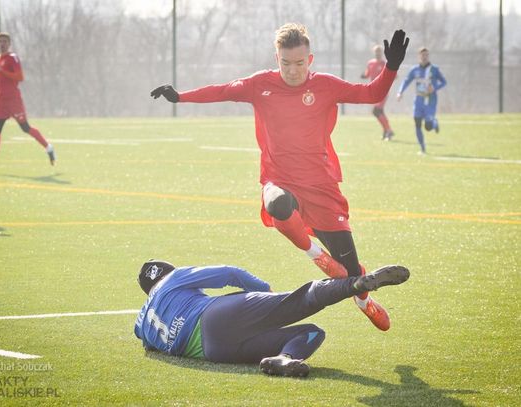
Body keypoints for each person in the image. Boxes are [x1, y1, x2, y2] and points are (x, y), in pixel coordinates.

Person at [150, 24, 409, 331]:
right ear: (277, 58)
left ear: (309, 60)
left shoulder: (326, 85)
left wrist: (391, 67)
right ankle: (316, 256)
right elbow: (221, 91)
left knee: (351, 275)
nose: (292, 70)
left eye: (299, 63)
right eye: (285, 63)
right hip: (279, 180)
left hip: (321, 188)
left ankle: (365, 302)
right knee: (276, 204)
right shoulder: (260, 84)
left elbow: (371, 94)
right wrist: (179, 96)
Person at [135, 259, 410, 377]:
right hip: (214, 317)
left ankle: (285, 359)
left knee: (310, 332)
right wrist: (267, 294)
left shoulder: (140, 321)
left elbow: (149, 345)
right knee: (299, 301)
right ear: (166, 273)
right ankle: (358, 284)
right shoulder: (173, 278)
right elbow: (231, 273)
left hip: (213, 352)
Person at [0, 32, 55, 171]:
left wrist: (1, 71)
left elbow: (19, 77)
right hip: (0, 101)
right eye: (0, 41)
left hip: (13, 100)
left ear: (9, 44)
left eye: (4, 41)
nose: (2, 44)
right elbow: (1, 76)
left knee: (25, 128)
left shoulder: (12, 57)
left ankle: (48, 147)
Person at [396, 47, 447, 154]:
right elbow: (406, 81)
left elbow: (444, 82)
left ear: (428, 56)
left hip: (430, 101)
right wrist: (400, 92)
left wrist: (434, 88)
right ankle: (423, 149)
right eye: (422, 55)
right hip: (418, 101)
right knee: (417, 123)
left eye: (426, 55)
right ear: (419, 56)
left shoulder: (434, 69)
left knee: (428, 127)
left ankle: (434, 123)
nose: (424, 57)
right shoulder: (414, 70)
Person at [361, 45, 394, 140]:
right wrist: (363, 75)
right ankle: (386, 131)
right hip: (373, 90)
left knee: (376, 111)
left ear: (382, 52)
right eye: (376, 51)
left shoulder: (385, 64)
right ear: (374, 52)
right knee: (380, 112)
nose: (377, 53)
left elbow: (394, 76)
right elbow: (367, 74)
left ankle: (389, 130)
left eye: (379, 51)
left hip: (383, 91)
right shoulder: (370, 63)